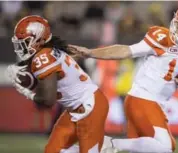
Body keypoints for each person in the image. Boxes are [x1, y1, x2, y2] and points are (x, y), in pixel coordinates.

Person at [69, 4, 178, 153]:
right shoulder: (161, 37)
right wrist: (90, 53)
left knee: (147, 149)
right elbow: (126, 51)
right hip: (143, 99)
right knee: (165, 147)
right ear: (174, 22)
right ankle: (110, 143)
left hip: (156, 104)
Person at [5, 15, 109, 153]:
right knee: (53, 150)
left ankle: (106, 148)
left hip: (89, 107)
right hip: (77, 107)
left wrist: (27, 92)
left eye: (25, 42)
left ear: (38, 39)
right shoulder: (48, 51)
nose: (21, 47)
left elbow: (48, 101)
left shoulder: (43, 57)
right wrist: (27, 79)